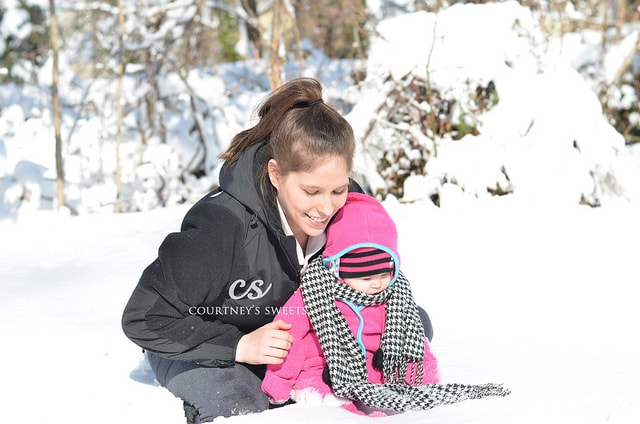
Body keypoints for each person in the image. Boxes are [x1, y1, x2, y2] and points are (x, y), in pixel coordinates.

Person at [121, 77, 435, 423]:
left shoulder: (352, 214)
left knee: (412, 329)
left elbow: (384, 290)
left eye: (338, 189)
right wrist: (240, 346)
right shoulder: (222, 225)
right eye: (311, 192)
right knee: (241, 402)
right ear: (275, 174)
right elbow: (144, 317)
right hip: (205, 345)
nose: (326, 207)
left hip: (298, 345)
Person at [261, 192, 440, 416]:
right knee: (330, 405)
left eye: (385, 274)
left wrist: (426, 381)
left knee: (400, 397)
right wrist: (279, 381)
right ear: (340, 270)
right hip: (321, 369)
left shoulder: (396, 295)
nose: (377, 284)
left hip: (373, 371)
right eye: (366, 279)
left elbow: (413, 339)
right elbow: (289, 335)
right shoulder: (314, 292)